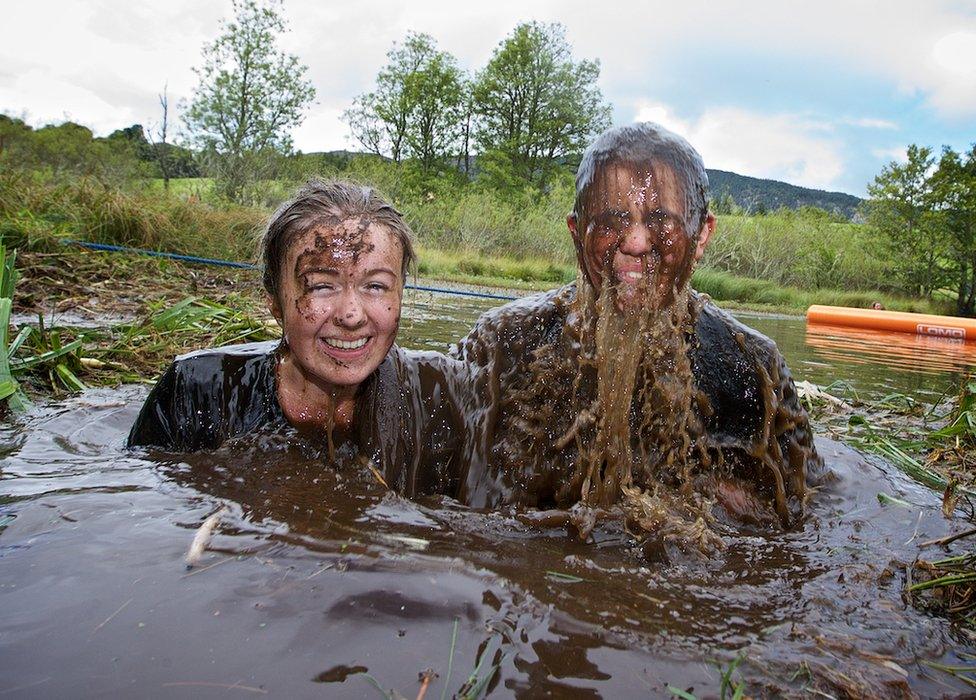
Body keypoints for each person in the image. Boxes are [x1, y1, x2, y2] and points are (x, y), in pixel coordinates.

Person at [452, 123, 823, 534]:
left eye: (661, 220)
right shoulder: (506, 342)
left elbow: (811, 508)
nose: (635, 242)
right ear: (577, 233)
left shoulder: (753, 367)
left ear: (701, 235)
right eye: (611, 222)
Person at [129, 180, 487, 497]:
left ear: (401, 297)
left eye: (376, 286)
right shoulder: (198, 389)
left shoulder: (441, 394)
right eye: (320, 286)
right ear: (275, 303)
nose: (351, 314)